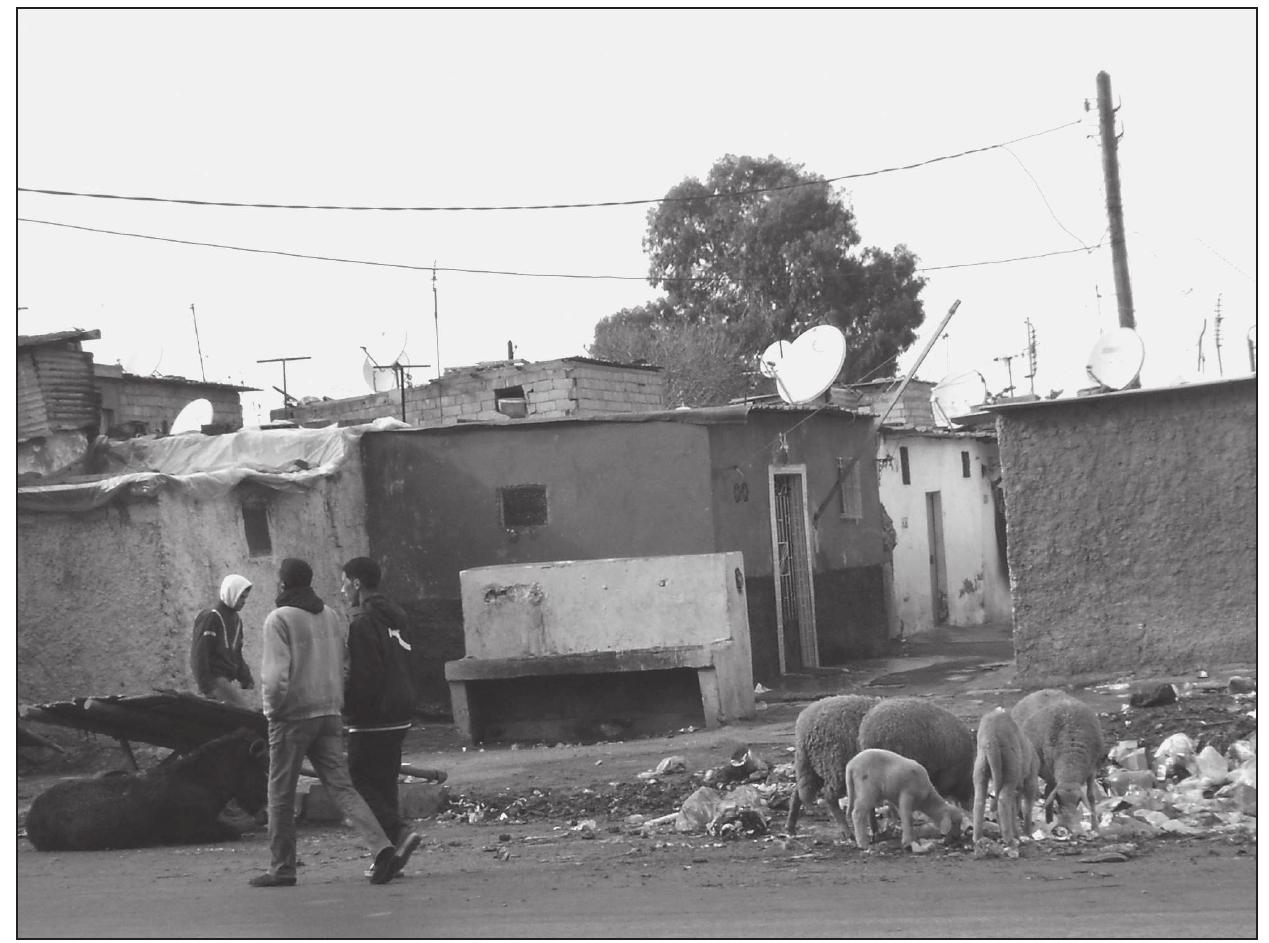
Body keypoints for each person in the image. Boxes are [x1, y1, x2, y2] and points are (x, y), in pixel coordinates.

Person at [250, 557, 415, 888]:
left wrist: (271, 710)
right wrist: (335, 704)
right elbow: (344, 666)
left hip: (291, 716)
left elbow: (274, 676)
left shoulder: (278, 620)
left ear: (283, 585)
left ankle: (282, 868)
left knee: (280, 792)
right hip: (328, 713)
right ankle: (382, 848)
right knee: (343, 787)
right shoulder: (330, 616)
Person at [341, 556, 421, 862]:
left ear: (357, 583)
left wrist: (348, 709)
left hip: (373, 717)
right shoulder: (397, 619)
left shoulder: (363, 623)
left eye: (344, 581)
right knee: (385, 784)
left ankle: (398, 832)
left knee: (357, 783)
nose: (342, 588)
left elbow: (365, 675)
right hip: (401, 712)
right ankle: (393, 856)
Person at [191, 574, 256, 709]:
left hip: (226, 680)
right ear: (231, 593)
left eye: (245, 597)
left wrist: (245, 676)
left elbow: (236, 653)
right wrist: (207, 687)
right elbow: (199, 654)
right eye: (241, 597)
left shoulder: (236, 620)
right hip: (215, 680)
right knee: (244, 714)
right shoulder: (211, 616)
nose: (243, 601)